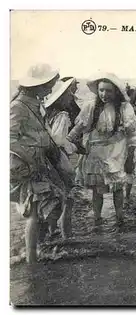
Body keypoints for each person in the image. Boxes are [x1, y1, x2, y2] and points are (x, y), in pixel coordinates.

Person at [11, 63, 74, 263]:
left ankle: (37, 250)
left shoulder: (34, 103)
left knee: (47, 205)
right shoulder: (18, 106)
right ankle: (31, 260)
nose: (50, 88)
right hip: (26, 167)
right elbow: (9, 138)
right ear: (37, 85)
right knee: (35, 212)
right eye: (48, 84)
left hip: (39, 164)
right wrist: (29, 157)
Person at [67, 73, 136, 227]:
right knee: (97, 190)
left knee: (118, 188)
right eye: (101, 90)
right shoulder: (91, 106)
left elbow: (132, 135)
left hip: (116, 152)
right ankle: (97, 218)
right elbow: (78, 128)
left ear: (116, 92)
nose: (104, 94)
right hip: (96, 153)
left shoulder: (124, 108)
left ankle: (120, 218)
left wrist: (130, 158)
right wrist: (66, 143)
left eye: (108, 91)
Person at [42, 77, 85, 239]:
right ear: (61, 98)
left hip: (49, 163)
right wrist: (75, 146)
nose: (71, 97)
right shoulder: (63, 115)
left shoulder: (48, 114)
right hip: (61, 161)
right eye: (68, 95)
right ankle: (68, 237)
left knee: (55, 201)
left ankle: (52, 233)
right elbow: (59, 142)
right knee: (68, 201)